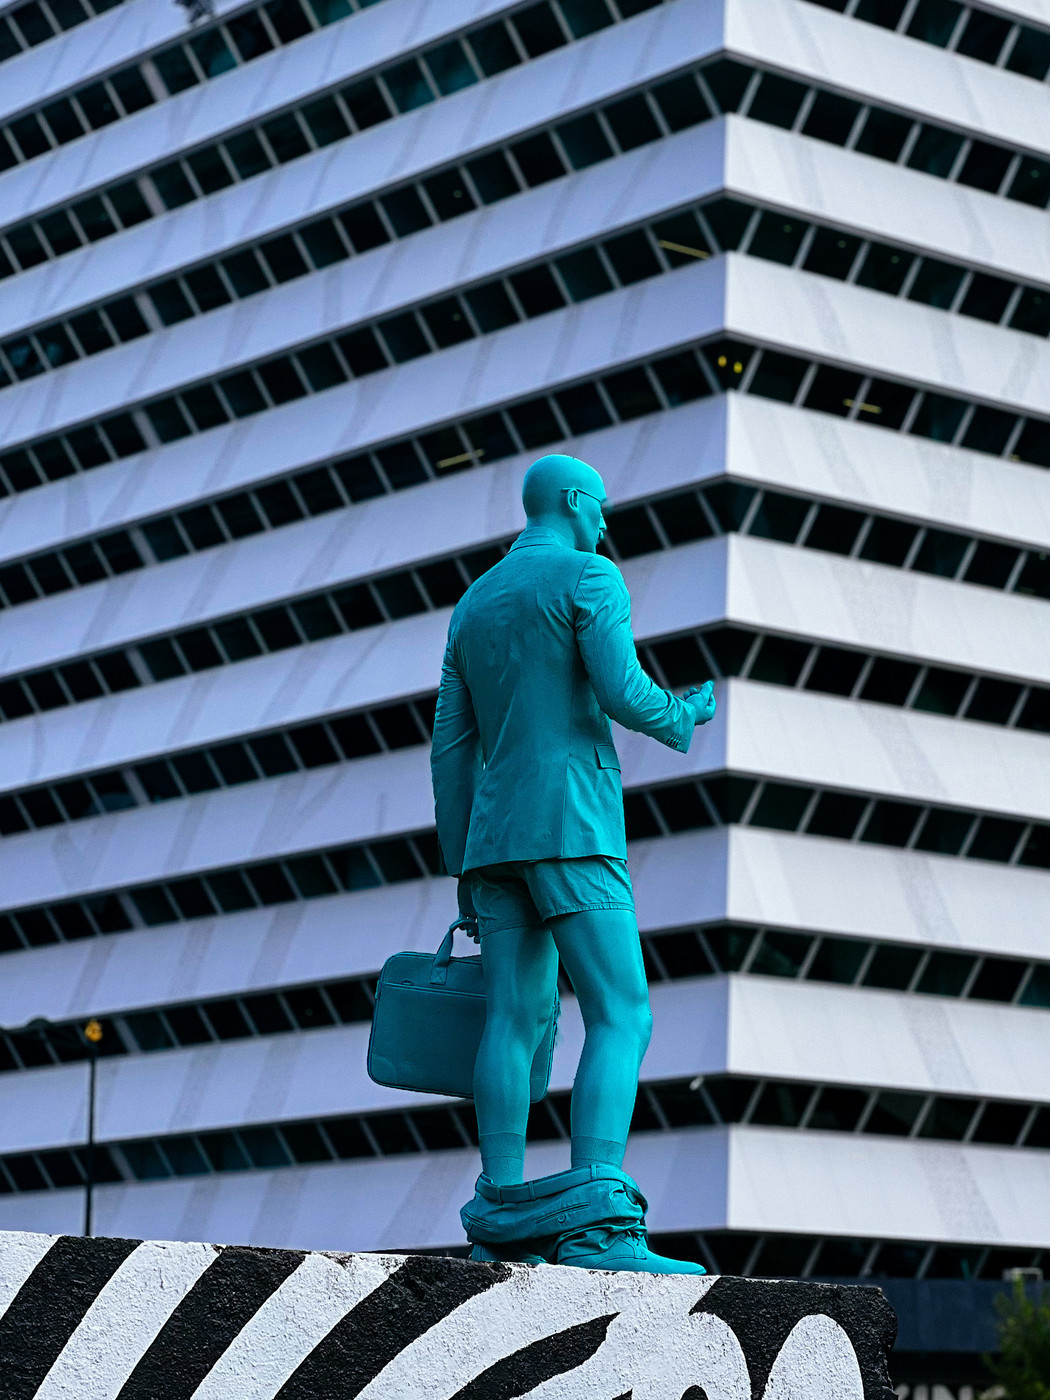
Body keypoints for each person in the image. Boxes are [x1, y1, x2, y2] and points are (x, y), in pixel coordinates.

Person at [430, 453, 717, 1273]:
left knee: (511, 1020)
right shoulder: (591, 578)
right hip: (574, 825)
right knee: (623, 1011)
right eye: (602, 509)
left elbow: (451, 748)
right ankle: (599, 1224)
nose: (605, 525)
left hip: (493, 842)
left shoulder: (475, 602)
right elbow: (623, 691)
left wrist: (464, 862)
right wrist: (681, 714)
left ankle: (499, 1217)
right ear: (575, 501)